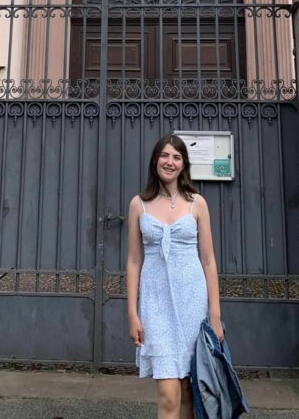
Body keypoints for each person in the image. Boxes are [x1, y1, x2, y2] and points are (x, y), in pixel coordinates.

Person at [126, 133, 224, 419]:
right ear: (155, 160)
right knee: (169, 396)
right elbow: (133, 261)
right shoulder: (138, 205)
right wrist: (132, 313)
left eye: (177, 157)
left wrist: (215, 315)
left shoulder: (197, 203)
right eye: (165, 155)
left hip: (193, 304)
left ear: (183, 165)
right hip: (156, 306)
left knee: (188, 392)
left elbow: (208, 261)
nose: (170, 162)